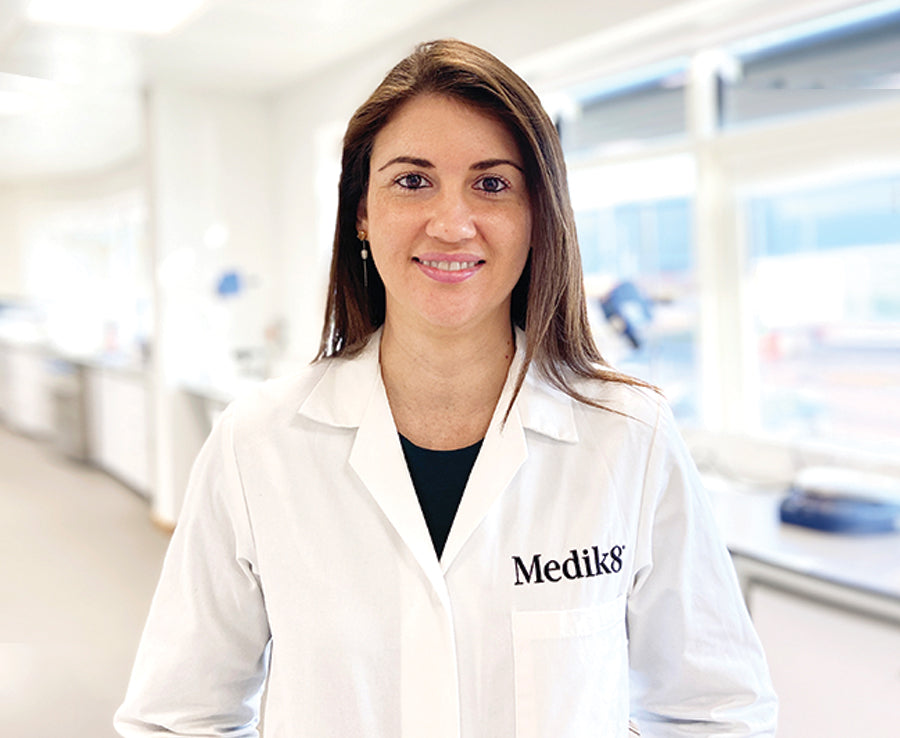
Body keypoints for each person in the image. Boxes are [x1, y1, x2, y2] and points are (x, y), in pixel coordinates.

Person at [115, 39, 777, 737]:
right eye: (412, 181)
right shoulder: (259, 442)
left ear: (537, 216)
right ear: (361, 213)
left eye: (492, 185)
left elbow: (719, 711)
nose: (452, 224)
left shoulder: (627, 436)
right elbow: (176, 719)